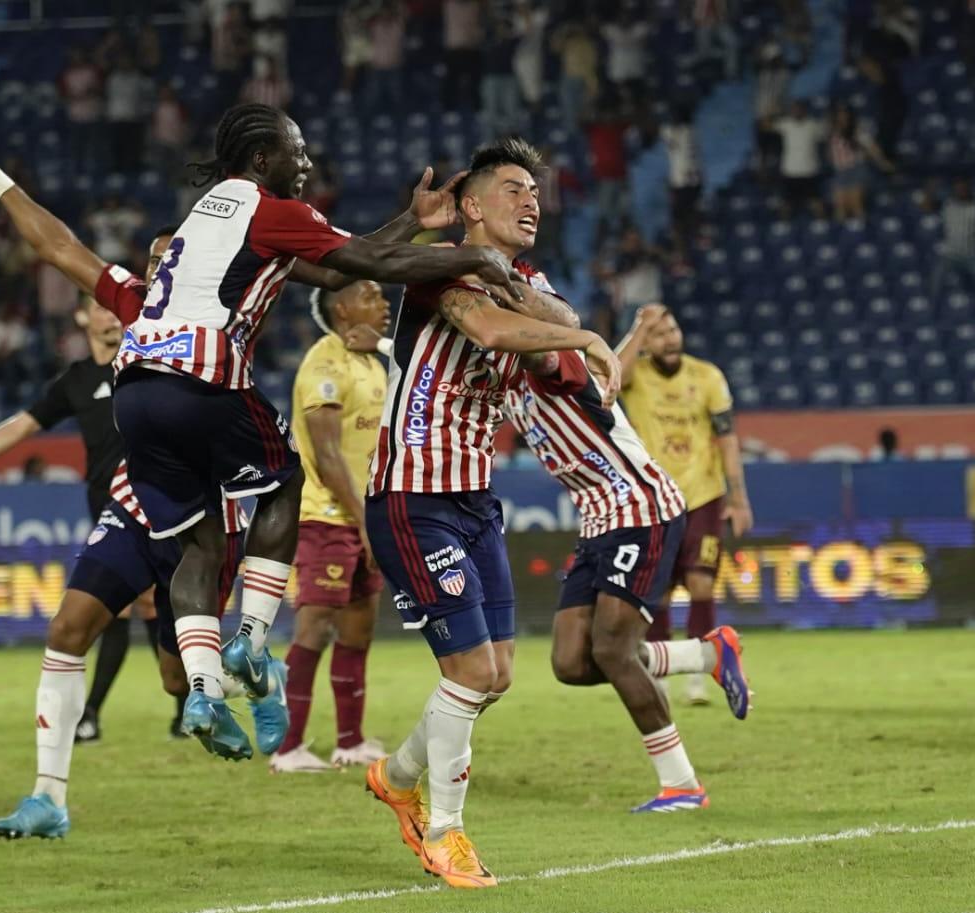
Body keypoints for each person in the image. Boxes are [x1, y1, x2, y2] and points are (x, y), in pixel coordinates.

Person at [109, 103, 521, 760]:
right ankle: (248, 637)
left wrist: (415, 219)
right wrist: (473, 255)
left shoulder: (208, 214)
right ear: (265, 159)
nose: (307, 163)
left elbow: (335, 270)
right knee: (287, 477)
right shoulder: (273, 210)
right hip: (201, 377)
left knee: (201, 545)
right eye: (297, 151)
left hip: (134, 390)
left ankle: (204, 687)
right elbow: (366, 265)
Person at [0, 139, 282, 839]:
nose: (164, 267)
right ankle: (48, 797)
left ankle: (239, 679)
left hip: (204, 517)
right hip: (134, 503)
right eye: (157, 259)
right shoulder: (134, 303)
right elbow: (57, 244)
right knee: (67, 628)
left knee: (174, 680)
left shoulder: (227, 310)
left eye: (174, 257)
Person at [363, 137, 622, 889]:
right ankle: (444, 832)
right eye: (513, 188)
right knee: (471, 670)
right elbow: (496, 331)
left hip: (473, 498)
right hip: (413, 492)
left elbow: (550, 366)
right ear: (471, 205)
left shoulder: (525, 282)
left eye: (535, 190)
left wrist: (559, 335)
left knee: (497, 673)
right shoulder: (442, 267)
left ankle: (397, 774)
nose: (531, 200)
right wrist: (580, 333)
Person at [0, 215, 184, 744]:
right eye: (99, 308)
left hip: (161, 502)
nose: (110, 317)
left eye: (113, 307)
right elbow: (22, 425)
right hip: (107, 506)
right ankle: (111, 711)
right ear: (82, 318)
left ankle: (164, 703)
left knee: (153, 609)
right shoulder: (76, 381)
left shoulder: (150, 356)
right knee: (120, 611)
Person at [505, 334, 750, 813]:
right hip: (596, 520)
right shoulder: (501, 381)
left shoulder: (546, 360)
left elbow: (542, 347)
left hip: (640, 509)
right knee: (571, 663)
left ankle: (682, 785)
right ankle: (705, 654)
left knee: (614, 651)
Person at [271, 281, 392, 773]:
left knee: (359, 627)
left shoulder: (370, 360)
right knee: (314, 627)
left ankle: (350, 741)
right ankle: (288, 746)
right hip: (325, 516)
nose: (384, 304)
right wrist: (364, 523)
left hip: (364, 515)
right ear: (343, 308)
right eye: (372, 296)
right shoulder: (324, 363)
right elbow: (325, 454)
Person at [616, 305, 753, 705]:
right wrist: (638, 329)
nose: (670, 338)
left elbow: (727, 438)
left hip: (704, 495)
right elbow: (610, 375)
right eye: (659, 334)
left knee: (701, 583)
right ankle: (660, 679)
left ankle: (699, 674)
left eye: (672, 329)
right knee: (657, 592)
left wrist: (739, 498)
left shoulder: (707, 376)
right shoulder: (636, 375)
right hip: (656, 497)